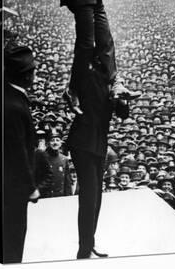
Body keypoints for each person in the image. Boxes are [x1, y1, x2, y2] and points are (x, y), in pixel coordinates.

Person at [66, 59, 117, 259]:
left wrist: (120, 97)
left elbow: (123, 112)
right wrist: (113, 90)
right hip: (84, 144)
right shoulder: (89, 76)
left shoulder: (109, 81)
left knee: (96, 198)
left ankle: (89, 242)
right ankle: (84, 250)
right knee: (89, 197)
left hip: (98, 145)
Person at [2, 44, 40, 263]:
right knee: (14, 239)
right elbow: (18, 152)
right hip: (13, 187)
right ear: (26, 77)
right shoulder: (14, 106)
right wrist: (30, 187)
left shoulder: (9, 95)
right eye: (33, 71)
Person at [44, 130, 72, 197]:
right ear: (48, 143)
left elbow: (67, 183)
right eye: (52, 140)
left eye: (57, 140)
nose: (55, 143)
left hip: (60, 198)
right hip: (45, 197)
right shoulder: (42, 158)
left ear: (61, 143)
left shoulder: (64, 159)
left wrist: (68, 198)